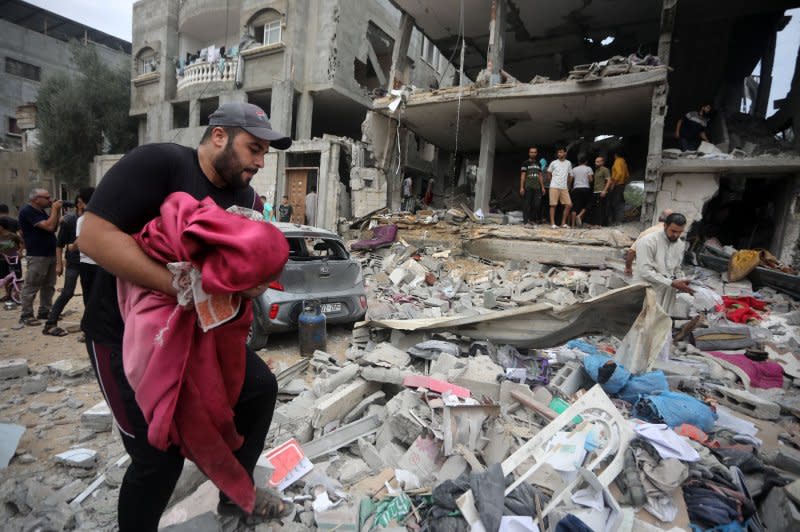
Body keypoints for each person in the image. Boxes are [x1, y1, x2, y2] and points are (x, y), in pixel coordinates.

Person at [78, 102, 292, 531]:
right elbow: (93, 236)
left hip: (197, 338)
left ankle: (236, 494)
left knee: (260, 390)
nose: (259, 161)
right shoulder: (159, 164)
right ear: (218, 137)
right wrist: (180, 286)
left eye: (265, 152)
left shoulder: (245, 197)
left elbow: (242, 266)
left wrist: (252, 281)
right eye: (253, 148)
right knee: (157, 459)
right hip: (119, 339)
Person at [15, 188, 62, 327]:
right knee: (32, 285)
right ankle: (26, 314)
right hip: (37, 254)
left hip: (49, 253)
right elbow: (48, 226)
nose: (50, 200)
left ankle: (44, 311)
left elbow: (53, 227)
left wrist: (57, 212)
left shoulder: (41, 212)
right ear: (36, 199)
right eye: (47, 197)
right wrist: (54, 209)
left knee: (49, 285)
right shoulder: (27, 211)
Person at [633, 212, 695, 315]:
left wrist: (683, 280)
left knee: (662, 322)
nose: (676, 235)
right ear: (665, 225)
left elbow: (676, 268)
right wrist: (671, 283)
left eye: (680, 232)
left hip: (667, 292)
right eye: (673, 231)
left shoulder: (679, 244)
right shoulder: (648, 241)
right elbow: (645, 271)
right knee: (644, 323)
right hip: (647, 289)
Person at [42, 195, 83, 336]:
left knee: (91, 294)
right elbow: (59, 245)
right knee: (67, 292)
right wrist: (59, 265)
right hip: (74, 262)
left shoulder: (94, 220)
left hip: (90, 263)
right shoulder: (69, 221)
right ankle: (50, 323)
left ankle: (88, 329)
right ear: (79, 204)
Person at [624, 208, 674, 276]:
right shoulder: (674, 236)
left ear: (659, 218)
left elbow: (631, 251)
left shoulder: (647, 232)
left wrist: (628, 268)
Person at [73, 188, 97, 307]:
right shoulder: (106, 218)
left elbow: (80, 242)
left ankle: (90, 323)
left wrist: (71, 247)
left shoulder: (83, 220)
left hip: (88, 263)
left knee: (88, 295)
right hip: (105, 263)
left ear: (82, 201)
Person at [546, 147, 573, 229]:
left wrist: (569, 185)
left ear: (565, 153)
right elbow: (549, 173)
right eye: (558, 152)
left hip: (564, 187)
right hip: (554, 186)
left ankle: (563, 223)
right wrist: (552, 181)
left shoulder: (568, 163)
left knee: (569, 205)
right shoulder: (554, 163)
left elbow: (570, 175)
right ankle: (553, 224)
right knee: (553, 205)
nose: (559, 154)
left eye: (561, 152)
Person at [519, 147, 546, 225]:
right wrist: (521, 187)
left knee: (536, 204)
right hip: (528, 187)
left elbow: (540, 176)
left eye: (534, 152)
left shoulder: (539, 164)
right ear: (529, 153)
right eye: (531, 152)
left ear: (536, 153)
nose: (533, 153)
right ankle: (526, 221)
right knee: (527, 204)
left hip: (537, 187)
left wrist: (543, 187)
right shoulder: (525, 163)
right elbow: (523, 176)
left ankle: (532, 220)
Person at [0, 203, 22, 281]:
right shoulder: (14, 221)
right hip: (13, 252)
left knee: (3, 275)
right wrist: (20, 250)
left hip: (2, 252)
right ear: (8, 211)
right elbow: (21, 233)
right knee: (14, 273)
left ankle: (6, 290)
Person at [570, 157, 593, 227]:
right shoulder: (588, 168)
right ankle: (579, 215)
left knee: (574, 207)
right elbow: (591, 180)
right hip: (585, 188)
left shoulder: (574, 169)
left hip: (576, 189)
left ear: (578, 162)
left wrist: (571, 187)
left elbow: (570, 180)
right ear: (586, 162)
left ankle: (573, 225)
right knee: (587, 204)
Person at [608, 151, 630, 225]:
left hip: (617, 185)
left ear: (615, 155)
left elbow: (619, 173)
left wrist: (614, 183)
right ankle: (620, 219)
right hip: (622, 185)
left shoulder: (617, 161)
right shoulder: (624, 162)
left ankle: (616, 221)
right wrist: (624, 182)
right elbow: (627, 175)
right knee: (621, 202)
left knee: (615, 203)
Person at [593, 156, 611, 226]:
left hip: (602, 191)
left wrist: (604, 191)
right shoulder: (597, 170)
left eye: (597, 161)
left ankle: (601, 224)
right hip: (596, 191)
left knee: (602, 208)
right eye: (595, 161)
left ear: (602, 162)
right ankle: (598, 224)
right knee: (597, 209)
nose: (596, 163)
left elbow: (609, 181)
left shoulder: (605, 170)